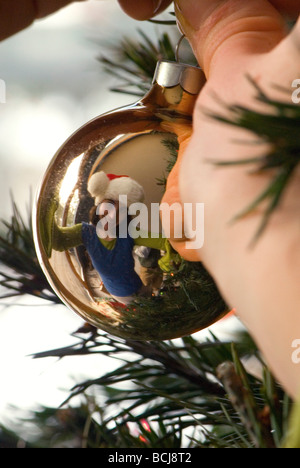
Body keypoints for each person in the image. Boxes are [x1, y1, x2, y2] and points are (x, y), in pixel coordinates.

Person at [2, 0, 300, 399]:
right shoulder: (89, 230)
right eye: (106, 209)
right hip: (120, 295)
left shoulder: (133, 226)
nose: (108, 215)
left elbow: (166, 237)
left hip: (139, 293)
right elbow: (61, 236)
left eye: (116, 210)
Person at [51, 171, 177, 305]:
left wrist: (169, 258)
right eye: (110, 203)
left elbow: (165, 241)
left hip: (138, 287)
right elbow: (58, 241)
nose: (114, 212)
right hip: (116, 294)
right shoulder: (85, 232)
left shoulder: (129, 232)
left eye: (122, 209)